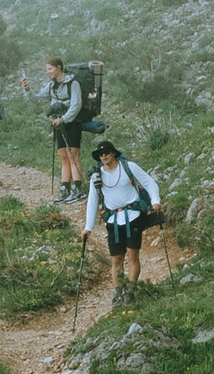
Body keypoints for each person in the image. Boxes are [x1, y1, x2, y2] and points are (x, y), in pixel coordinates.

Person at [81, 137, 161, 289]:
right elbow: (92, 200)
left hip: (133, 216)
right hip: (113, 220)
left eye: (106, 152)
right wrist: (88, 227)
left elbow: (149, 182)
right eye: (100, 154)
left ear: (113, 153)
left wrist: (155, 200)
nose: (104, 156)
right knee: (116, 259)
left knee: (132, 255)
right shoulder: (96, 177)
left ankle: (130, 291)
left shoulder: (129, 167)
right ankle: (118, 293)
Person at [37, 57, 87, 195]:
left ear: (59, 67)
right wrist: (27, 90)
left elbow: (76, 105)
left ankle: (77, 188)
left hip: (73, 123)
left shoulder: (73, 83)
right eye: (47, 69)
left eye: (50, 69)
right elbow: (37, 99)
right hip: (58, 124)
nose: (48, 72)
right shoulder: (51, 85)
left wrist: (63, 119)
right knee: (63, 155)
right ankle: (65, 187)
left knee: (73, 155)